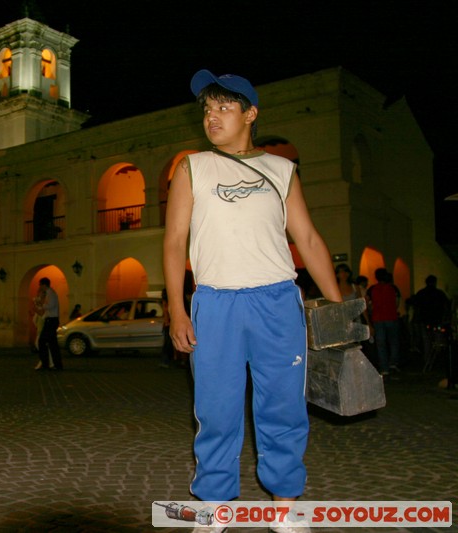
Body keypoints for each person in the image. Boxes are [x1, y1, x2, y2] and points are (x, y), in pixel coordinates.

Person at [163, 69, 340, 533]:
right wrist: (177, 308)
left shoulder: (282, 171)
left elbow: (307, 239)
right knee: (216, 410)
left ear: (250, 113)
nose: (212, 117)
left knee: (283, 408)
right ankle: (214, 507)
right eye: (207, 109)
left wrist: (339, 309)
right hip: (216, 303)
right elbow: (174, 241)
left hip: (278, 300)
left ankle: (286, 507)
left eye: (224, 107)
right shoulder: (192, 167)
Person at [366, 268, 402, 376]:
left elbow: (368, 303)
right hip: (391, 317)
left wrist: (372, 312)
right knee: (393, 342)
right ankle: (393, 363)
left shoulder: (372, 289)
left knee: (381, 344)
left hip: (378, 318)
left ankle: (384, 367)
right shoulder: (393, 288)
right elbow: (397, 303)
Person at [412, 275, 450, 367]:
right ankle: (436, 361)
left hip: (424, 321)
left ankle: (428, 362)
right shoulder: (439, 294)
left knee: (427, 343)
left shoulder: (421, 293)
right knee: (437, 342)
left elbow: (416, 307)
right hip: (437, 321)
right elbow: (446, 306)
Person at [36, 277, 62, 371]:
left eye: (40, 285)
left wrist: (41, 305)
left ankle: (46, 363)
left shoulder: (51, 294)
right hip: (50, 320)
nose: (40, 287)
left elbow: (51, 306)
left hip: (51, 320)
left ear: (44, 285)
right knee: (51, 343)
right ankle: (55, 364)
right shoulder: (49, 293)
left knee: (42, 341)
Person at [335, 264, 372, 331]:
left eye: (346, 271)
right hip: (341, 321)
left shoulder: (355, 287)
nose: (344, 274)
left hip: (355, 320)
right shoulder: (335, 289)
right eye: (341, 272)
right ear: (337, 274)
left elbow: (361, 305)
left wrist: (368, 323)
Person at [159, 288, 173, 368]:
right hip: (168, 324)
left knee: (167, 344)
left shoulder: (165, 302)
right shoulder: (169, 302)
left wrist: (166, 322)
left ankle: (165, 361)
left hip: (168, 324)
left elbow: (165, 312)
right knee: (168, 344)